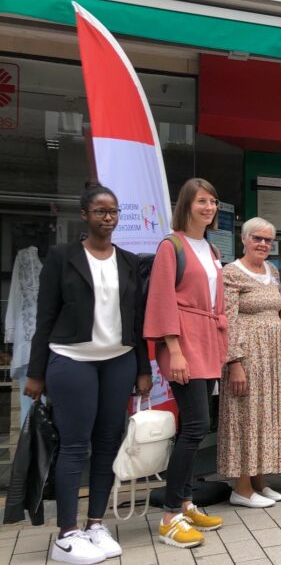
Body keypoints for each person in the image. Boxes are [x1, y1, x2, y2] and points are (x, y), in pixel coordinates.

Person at [25, 184, 151, 565]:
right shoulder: (62, 257)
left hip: (119, 361)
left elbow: (137, 320)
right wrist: (36, 373)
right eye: (100, 211)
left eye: (113, 211)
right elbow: (44, 317)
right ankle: (66, 533)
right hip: (71, 360)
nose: (107, 217)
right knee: (75, 446)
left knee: (108, 444)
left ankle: (96, 523)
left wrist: (143, 369)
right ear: (84, 215)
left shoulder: (129, 261)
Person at [144, 178, 228, 548]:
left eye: (212, 201)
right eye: (201, 202)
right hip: (184, 342)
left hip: (206, 341)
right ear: (186, 205)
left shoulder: (209, 248)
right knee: (195, 426)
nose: (208, 208)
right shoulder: (171, 245)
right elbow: (162, 300)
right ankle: (169, 517)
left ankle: (187, 502)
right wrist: (174, 350)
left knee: (195, 428)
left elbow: (217, 303)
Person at [218, 217, 281, 507]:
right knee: (245, 416)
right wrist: (234, 361)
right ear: (244, 240)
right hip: (247, 354)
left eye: (268, 240)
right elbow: (227, 320)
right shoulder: (231, 273)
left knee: (266, 416)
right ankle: (242, 487)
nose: (263, 244)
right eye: (257, 238)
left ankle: (260, 481)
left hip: (272, 356)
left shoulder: (272, 271)